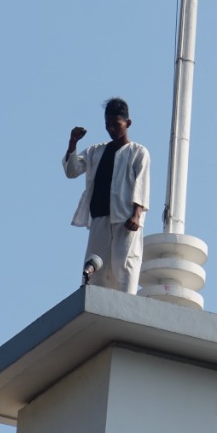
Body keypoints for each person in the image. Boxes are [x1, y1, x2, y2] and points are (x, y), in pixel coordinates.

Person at [63, 97, 149, 293]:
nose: (111, 129)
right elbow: (72, 171)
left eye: (116, 125)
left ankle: (127, 306)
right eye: (108, 125)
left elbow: (142, 183)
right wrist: (73, 143)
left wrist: (137, 213)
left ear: (127, 123)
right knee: (95, 267)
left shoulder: (138, 152)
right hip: (100, 217)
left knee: (125, 264)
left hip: (125, 218)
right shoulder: (96, 151)